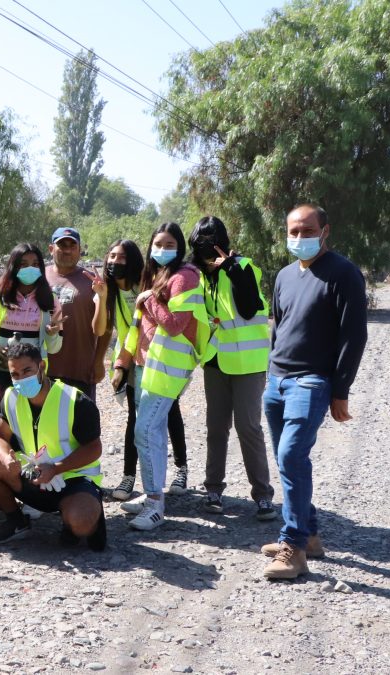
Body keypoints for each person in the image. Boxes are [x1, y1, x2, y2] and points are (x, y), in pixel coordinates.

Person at [260, 204, 366, 580]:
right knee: (289, 461)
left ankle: (295, 548)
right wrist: (271, 373)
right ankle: (312, 534)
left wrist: (341, 391)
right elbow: (279, 324)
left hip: (312, 381)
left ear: (325, 231)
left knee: (291, 455)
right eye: (293, 231)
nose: (299, 238)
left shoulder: (343, 273)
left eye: (307, 231)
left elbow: (354, 337)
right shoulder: (285, 275)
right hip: (277, 381)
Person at [116, 223, 208, 531]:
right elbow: (138, 327)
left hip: (168, 367)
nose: (163, 248)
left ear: (180, 247)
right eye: (158, 243)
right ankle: (151, 495)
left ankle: (155, 505)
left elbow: (175, 325)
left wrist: (149, 299)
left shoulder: (185, 277)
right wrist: (122, 363)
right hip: (146, 365)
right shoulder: (156, 276)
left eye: (169, 243)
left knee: (144, 431)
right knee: (150, 433)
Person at [0, 342, 106, 549]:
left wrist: (56, 468)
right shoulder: (10, 396)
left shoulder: (75, 400)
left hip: (70, 479)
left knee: (81, 524)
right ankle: (17, 521)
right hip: (32, 476)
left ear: (42, 367)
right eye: (15, 374)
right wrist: (6, 457)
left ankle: (81, 518)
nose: (21, 379)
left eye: (27, 370)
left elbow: (94, 448)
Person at [188, 217, 277, 520]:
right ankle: (213, 490)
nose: (206, 251)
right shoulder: (200, 275)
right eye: (200, 245)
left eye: (211, 244)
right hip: (215, 361)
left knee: (248, 427)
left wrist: (230, 268)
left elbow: (251, 307)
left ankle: (263, 495)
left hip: (248, 365)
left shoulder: (244, 267)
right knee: (216, 427)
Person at [103, 240, 191, 502]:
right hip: (130, 355)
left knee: (168, 411)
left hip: (159, 356)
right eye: (112, 256)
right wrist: (120, 364)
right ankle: (130, 477)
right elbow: (115, 329)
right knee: (135, 417)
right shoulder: (110, 289)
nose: (115, 262)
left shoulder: (144, 284)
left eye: (121, 257)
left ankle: (181, 468)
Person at [0, 242, 65, 392]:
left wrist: (52, 335)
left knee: (26, 414)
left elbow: (54, 349)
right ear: (13, 266)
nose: (30, 269)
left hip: (31, 376)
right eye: (24, 264)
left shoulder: (50, 300)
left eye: (35, 264)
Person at [45, 227, 110, 401]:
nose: (67, 250)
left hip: (79, 370)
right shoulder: (39, 277)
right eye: (62, 245)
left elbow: (105, 328)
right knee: (46, 424)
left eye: (72, 246)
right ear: (51, 249)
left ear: (80, 251)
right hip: (43, 369)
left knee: (80, 424)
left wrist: (98, 362)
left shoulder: (92, 281)